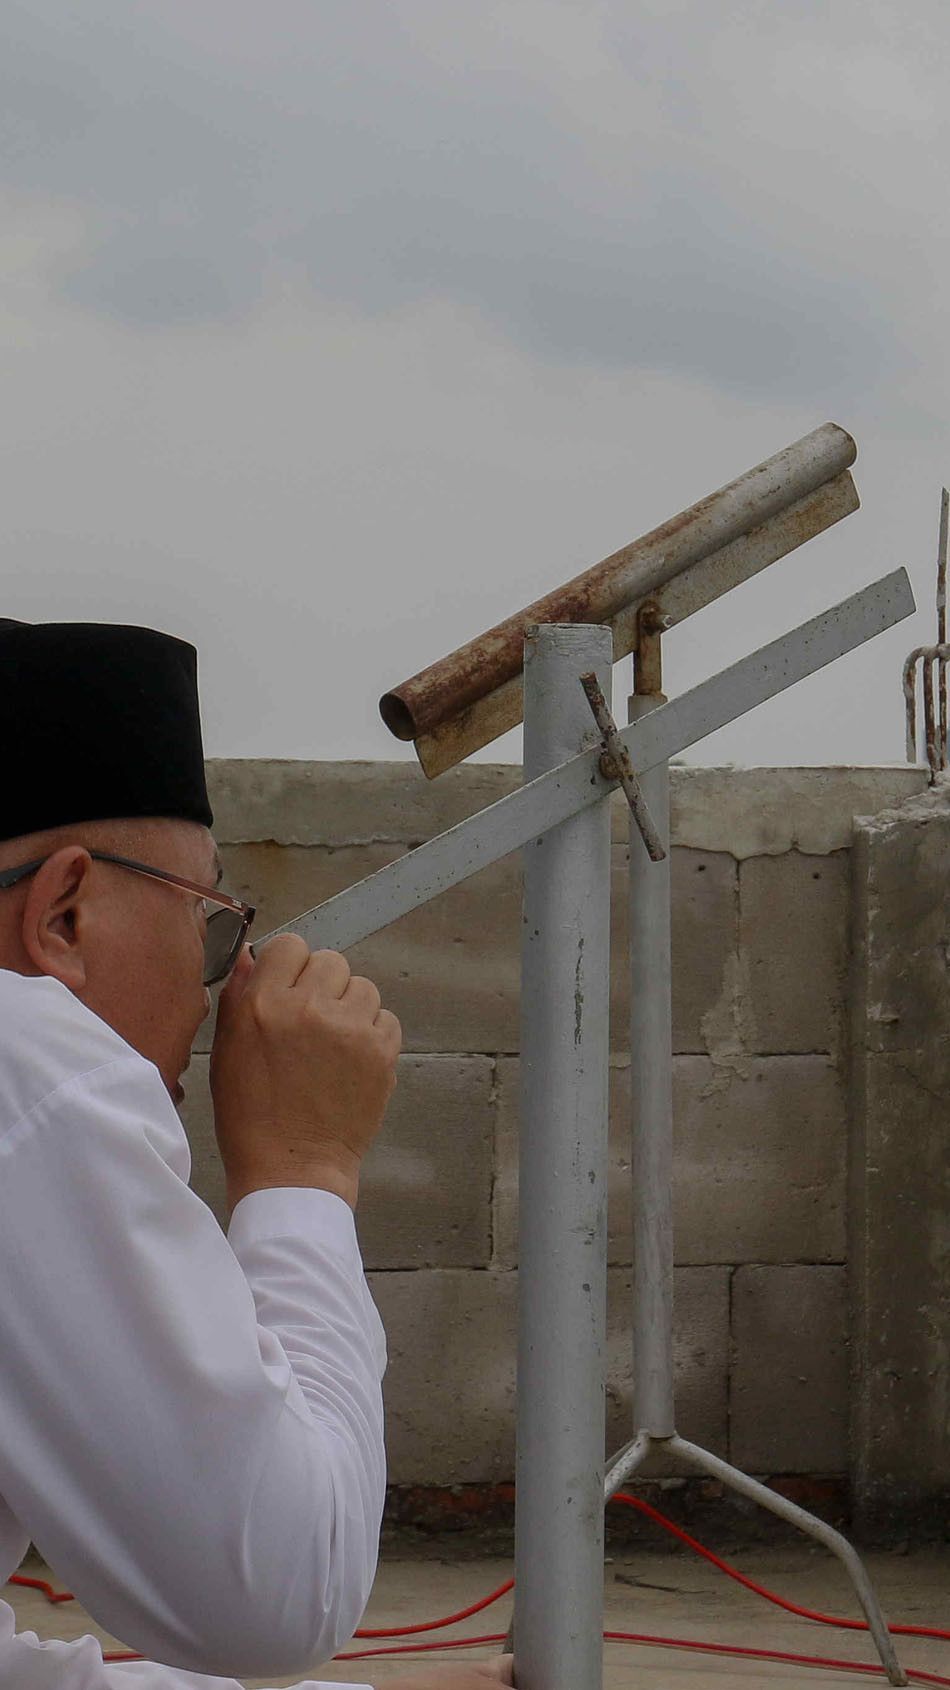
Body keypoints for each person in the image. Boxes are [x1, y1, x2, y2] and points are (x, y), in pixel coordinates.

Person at [0, 621, 513, 1690]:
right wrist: (303, 1169)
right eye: (210, 924)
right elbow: (276, 1596)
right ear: (63, 913)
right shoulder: (33, 1062)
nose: (209, 992)